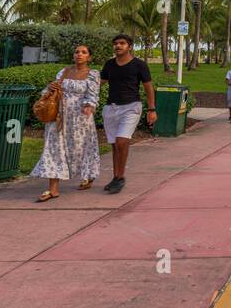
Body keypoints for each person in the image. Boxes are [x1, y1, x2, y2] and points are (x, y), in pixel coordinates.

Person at [31, 44, 101, 202]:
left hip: (80, 119)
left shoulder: (92, 74)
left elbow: (93, 95)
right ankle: (53, 189)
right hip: (59, 117)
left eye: (83, 52)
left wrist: (89, 106)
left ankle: (88, 175)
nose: (79, 55)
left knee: (81, 149)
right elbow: (50, 92)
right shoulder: (64, 72)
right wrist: (50, 87)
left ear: (89, 57)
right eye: (76, 52)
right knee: (53, 149)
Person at [99, 34, 155, 194]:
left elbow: (148, 87)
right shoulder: (109, 64)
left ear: (129, 46)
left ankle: (121, 177)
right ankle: (115, 177)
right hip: (111, 108)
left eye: (122, 43)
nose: (118, 46)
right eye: (115, 43)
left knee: (122, 141)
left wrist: (152, 109)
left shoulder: (139, 65)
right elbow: (100, 84)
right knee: (115, 145)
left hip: (131, 107)